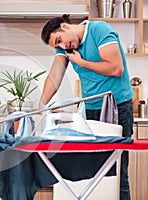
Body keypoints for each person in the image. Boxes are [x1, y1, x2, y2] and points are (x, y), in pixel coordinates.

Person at [39, 14, 134, 200]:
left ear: (65, 27)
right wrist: (41, 105)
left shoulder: (99, 30)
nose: (61, 47)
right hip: (90, 110)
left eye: (59, 41)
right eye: (57, 46)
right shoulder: (66, 48)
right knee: (94, 174)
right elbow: (55, 76)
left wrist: (80, 62)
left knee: (117, 171)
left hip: (118, 108)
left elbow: (116, 68)